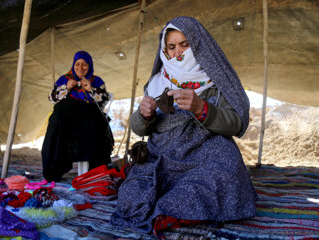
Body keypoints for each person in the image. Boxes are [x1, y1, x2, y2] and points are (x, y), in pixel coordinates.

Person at [110, 17, 257, 235]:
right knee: (132, 196)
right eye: (171, 47)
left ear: (197, 45)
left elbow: (236, 124)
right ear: (165, 50)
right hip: (163, 156)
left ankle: (174, 210)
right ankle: (176, 210)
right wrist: (144, 115)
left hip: (204, 154)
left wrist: (202, 108)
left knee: (227, 164)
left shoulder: (215, 82)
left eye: (184, 45)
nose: (178, 52)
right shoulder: (157, 81)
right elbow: (139, 129)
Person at [41, 51, 113, 182]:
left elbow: (104, 100)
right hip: (66, 115)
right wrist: (66, 88)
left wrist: (91, 89)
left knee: (94, 125)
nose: (80, 67)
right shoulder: (64, 79)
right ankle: (54, 169)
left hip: (88, 113)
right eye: (77, 64)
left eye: (84, 64)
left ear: (89, 66)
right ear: (73, 65)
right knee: (55, 121)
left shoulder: (96, 81)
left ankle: (92, 170)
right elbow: (52, 98)